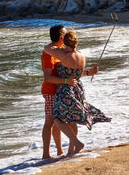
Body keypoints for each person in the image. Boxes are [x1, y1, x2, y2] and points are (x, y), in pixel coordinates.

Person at [44, 30, 111, 155]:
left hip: (65, 89)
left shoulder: (64, 56)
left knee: (58, 119)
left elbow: (47, 48)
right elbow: (77, 72)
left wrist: (59, 47)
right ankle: (71, 151)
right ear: (76, 42)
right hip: (78, 89)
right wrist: (89, 72)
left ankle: (77, 142)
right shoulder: (81, 56)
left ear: (64, 42)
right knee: (72, 120)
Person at [41, 25, 77, 159]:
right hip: (51, 91)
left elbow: (70, 69)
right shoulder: (48, 54)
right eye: (66, 33)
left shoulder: (61, 50)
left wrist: (87, 72)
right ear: (61, 36)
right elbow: (47, 77)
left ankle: (59, 151)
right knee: (49, 122)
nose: (68, 34)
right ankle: (45, 154)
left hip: (61, 90)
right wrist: (66, 82)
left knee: (59, 121)